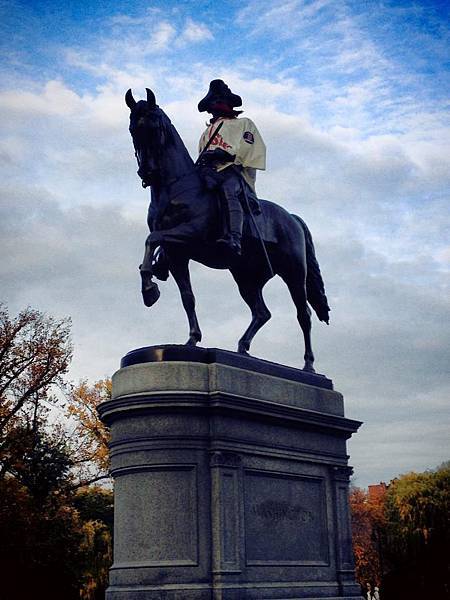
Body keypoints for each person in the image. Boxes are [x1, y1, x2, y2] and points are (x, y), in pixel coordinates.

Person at [197, 79, 266, 255]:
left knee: (229, 189)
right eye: (213, 102)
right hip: (210, 172)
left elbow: (251, 145)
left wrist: (228, 155)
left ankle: (234, 237)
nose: (215, 105)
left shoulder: (244, 123)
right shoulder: (207, 131)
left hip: (233, 171)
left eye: (218, 101)